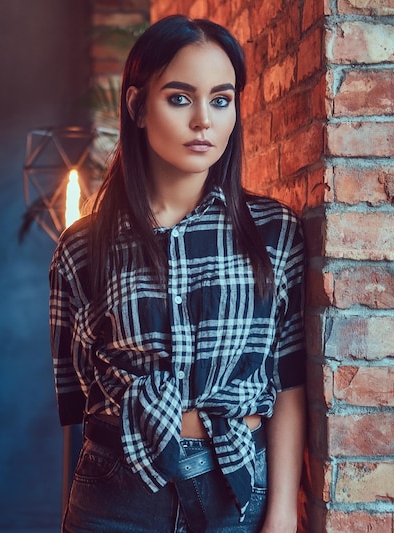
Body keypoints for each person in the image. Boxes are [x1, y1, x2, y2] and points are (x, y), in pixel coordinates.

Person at [49, 14, 306, 533]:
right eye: (180, 97)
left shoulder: (274, 232)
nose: (203, 122)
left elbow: (288, 383)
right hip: (114, 495)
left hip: (236, 490)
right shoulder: (81, 247)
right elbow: (80, 406)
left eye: (221, 99)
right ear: (138, 106)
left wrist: (281, 513)